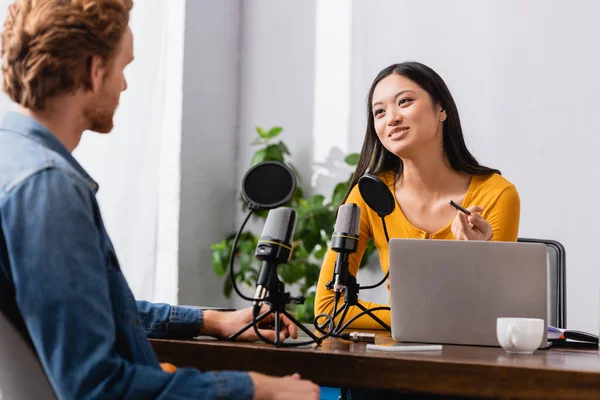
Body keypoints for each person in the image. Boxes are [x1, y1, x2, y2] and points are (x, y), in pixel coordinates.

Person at [0, 1, 319, 399]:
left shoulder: (12, 162)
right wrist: (256, 388)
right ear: (95, 70)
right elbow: (98, 389)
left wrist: (210, 321)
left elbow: (85, 313)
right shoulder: (47, 189)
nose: (125, 85)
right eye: (124, 67)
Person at [315, 61, 520, 331]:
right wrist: (411, 319)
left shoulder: (497, 194)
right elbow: (328, 308)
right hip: (399, 356)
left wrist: (477, 255)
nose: (392, 118)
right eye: (379, 111)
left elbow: (490, 315)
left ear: (441, 109)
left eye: (405, 101)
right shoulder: (368, 193)